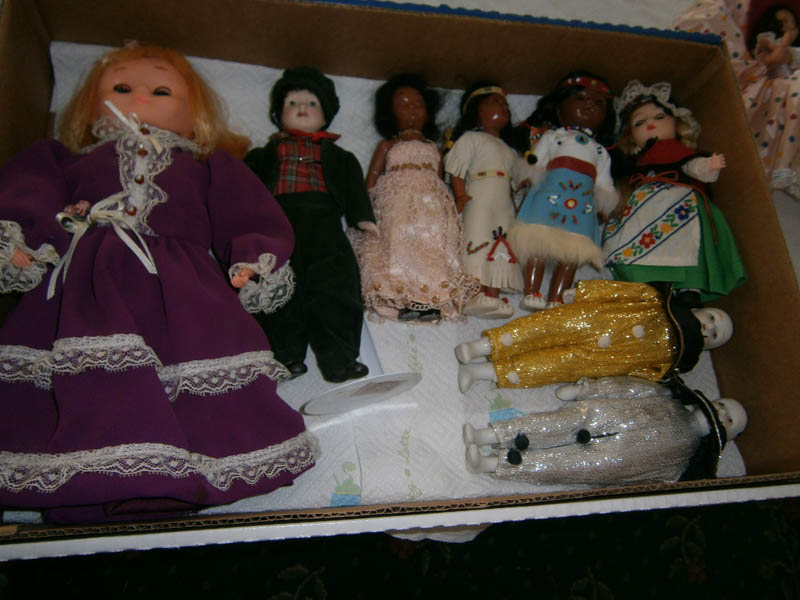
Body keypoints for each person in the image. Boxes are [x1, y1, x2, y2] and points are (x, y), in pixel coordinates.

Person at [0, 44, 318, 523]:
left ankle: (178, 475)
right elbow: (30, 193)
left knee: (191, 378)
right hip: (85, 287)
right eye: (122, 87)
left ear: (194, 114)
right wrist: (22, 242)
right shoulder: (66, 159)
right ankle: (87, 483)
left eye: (162, 90)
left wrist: (252, 258)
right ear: (90, 105)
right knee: (87, 383)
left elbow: (246, 209)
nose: (141, 97)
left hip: (183, 289)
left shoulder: (208, 164)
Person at [245, 67, 376, 382]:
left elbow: (354, 187)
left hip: (325, 225)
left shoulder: (341, 157)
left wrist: (363, 217)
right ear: (278, 114)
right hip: (277, 225)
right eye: (292, 103)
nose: (302, 108)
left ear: (326, 114)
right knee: (278, 291)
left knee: (337, 288)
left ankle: (340, 358)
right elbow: (243, 191)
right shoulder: (261, 156)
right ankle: (284, 355)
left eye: (312, 103)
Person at [602, 80, 747, 301]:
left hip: (679, 201)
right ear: (630, 136)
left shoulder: (673, 149)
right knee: (634, 241)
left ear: (677, 123)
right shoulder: (632, 165)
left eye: (659, 117)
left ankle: (689, 286)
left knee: (687, 243)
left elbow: (690, 165)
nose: (651, 124)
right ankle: (649, 283)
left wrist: (706, 166)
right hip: (644, 205)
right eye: (640, 122)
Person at [352, 73, 480, 323]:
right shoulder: (388, 145)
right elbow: (373, 178)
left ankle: (428, 300)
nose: (412, 109)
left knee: (431, 248)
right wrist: (364, 207)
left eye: (418, 104)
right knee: (399, 246)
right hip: (397, 203)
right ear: (389, 112)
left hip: (431, 206)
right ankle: (404, 298)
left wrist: (453, 203)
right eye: (403, 104)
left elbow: (441, 181)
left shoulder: (434, 147)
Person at [455, 279, 732, 392]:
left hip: (594, 361)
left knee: (544, 367)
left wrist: (587, 390)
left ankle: (480, 372)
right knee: (538, 329)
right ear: (700, 308)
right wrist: (586, 292)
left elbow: (632, 381)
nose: (707, 328)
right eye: (711, 319)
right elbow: (622, 291)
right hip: (589, 319)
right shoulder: (657, 300)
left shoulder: (669, 362)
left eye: (715, 335)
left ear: (708, 348)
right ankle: (480, 347)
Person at [463, 376, 747, 486]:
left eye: (728, 420)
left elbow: (653, 482)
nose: (721, 414)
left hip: (611, 461)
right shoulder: (669, 399)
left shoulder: (683, 461)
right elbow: (630, 388)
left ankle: (489, 463)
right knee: (548, 424)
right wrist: (587, 389)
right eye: (722, 406)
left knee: (556, 465)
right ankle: (486, 436)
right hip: (599, 416)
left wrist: (616, 484)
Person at [510, 71, 619, 310]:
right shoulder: (553, 136)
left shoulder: (601, 152)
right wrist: (526, 175)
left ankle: (556, 298)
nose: (589, 105)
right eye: (580, 98)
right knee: (537, 242)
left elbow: (605, 184)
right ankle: (532, 291)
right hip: (550, 193)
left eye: (599, 103)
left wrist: (604, 206)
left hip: (581, 203)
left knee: (572, 251)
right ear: (559, 107)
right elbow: (535, 159)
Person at [674, 0, 800, 198]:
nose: (786, 27)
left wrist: (790, 56)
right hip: (742, 77)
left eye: (789, 23)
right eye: (781, 23)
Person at [443, 82, 529, 319]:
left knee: (503, 243)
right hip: (479, 195)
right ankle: (475, 293)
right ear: (476, 110)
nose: (503, 107)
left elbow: (514, 184)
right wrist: (460, 195)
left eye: (505, 104)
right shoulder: (471, 138)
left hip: (503, 202)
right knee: (478, 237)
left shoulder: (510, 150)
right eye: (495, 102)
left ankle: (493, 293)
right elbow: (457, 170)